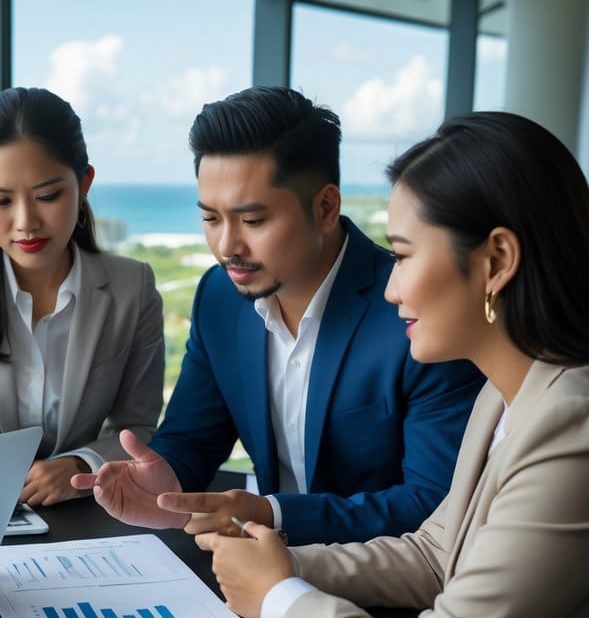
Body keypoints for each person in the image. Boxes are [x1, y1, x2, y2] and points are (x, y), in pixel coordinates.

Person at [197, 111, 589, 618]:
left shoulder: (571, 427)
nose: (389, 287)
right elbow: (437, 556)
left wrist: (279, 597)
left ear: (495, 260)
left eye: (403, 256)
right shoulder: (508, 392)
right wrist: (281, 564)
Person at [72, 86, 483, 544]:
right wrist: (163, 480)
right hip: (257, 575)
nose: (227, 247)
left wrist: (273, 514)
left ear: (326, 207)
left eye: (252, 221)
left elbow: (434, 501)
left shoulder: (414, 312)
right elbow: (193, 436)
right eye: (211, 219)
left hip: (389, 586)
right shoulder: (220, 298)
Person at [0, 86, 164, 506]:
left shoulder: (132, 288)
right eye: (0, 200)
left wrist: (82, 465)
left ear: (84, 184)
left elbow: (140, 428)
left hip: (92, 511)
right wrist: (4, 477)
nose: (25, 223)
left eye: (47, 196)